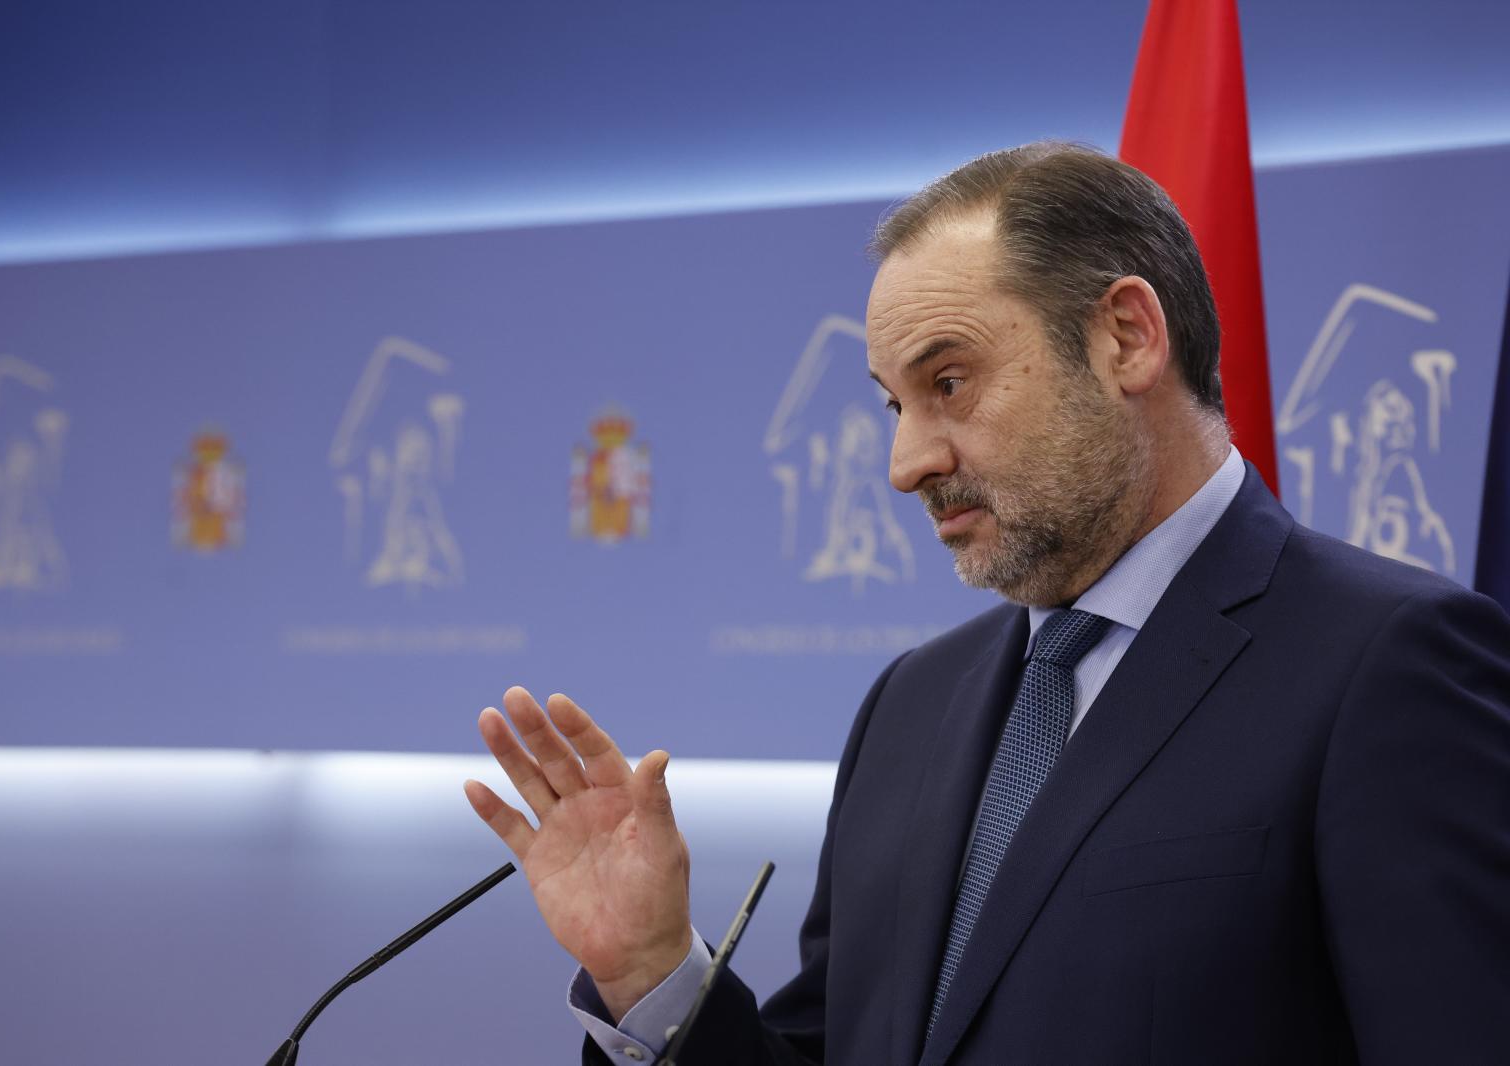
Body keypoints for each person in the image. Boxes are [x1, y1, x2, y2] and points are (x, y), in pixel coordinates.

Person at [464, 142, 1510, 1065]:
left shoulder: (1392, 666)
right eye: (892, 403)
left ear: (1127, 339)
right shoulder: (911, 705)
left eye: (949, 383)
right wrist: (652, 971)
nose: (905, 462)